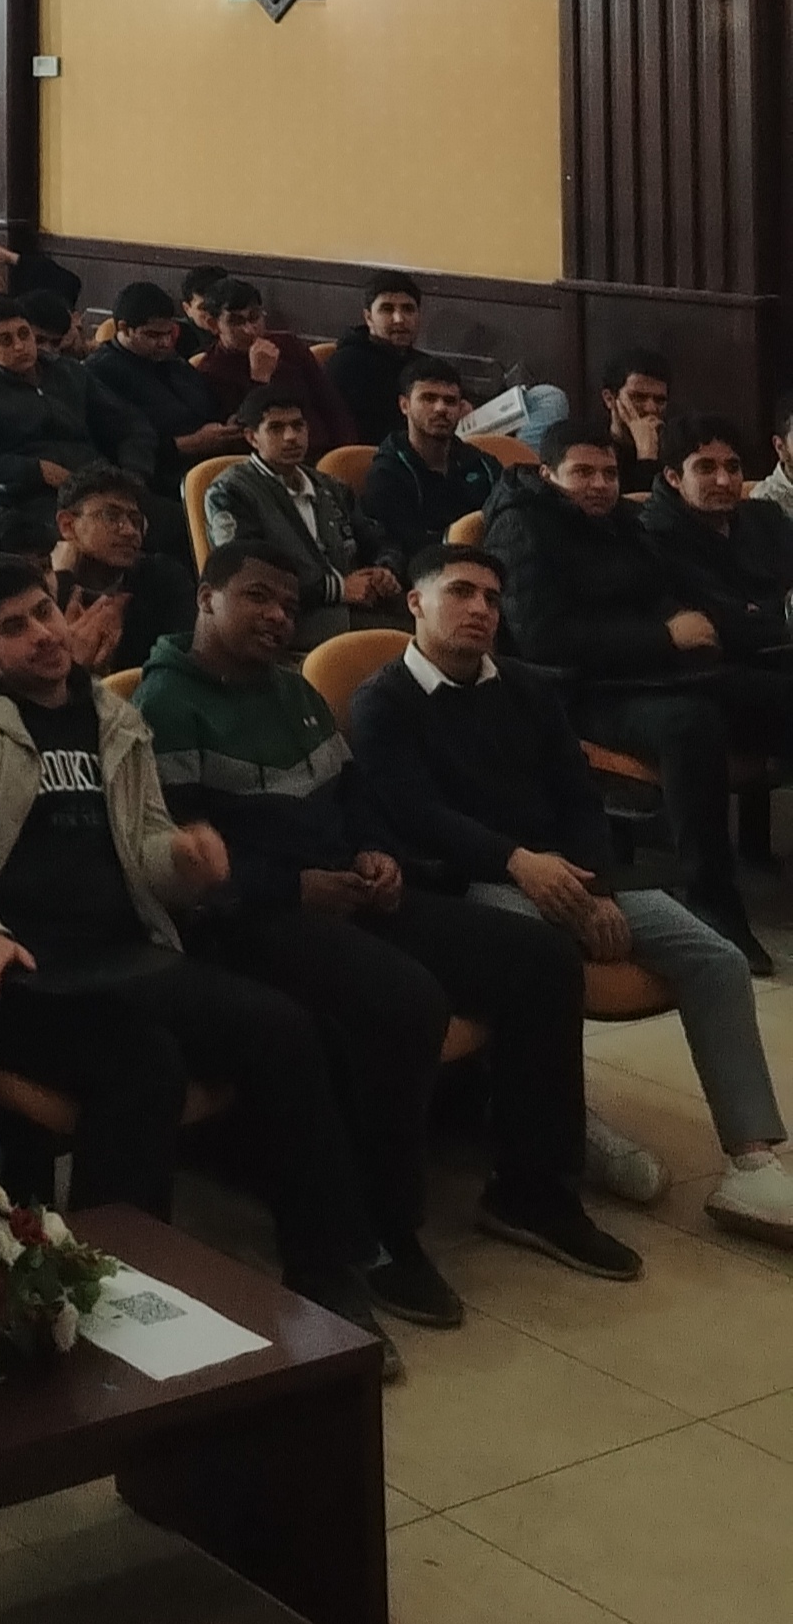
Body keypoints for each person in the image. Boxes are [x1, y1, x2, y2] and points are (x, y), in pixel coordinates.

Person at [0, 556, 397, 1344]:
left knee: (282, 1027)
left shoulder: (114, 720)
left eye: (44, 611)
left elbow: (145, 842)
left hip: (121, 952)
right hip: (12, 970)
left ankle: (325, 1267)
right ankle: (112, 1299)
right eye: (13, 626)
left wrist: (182, 861)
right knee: (143, 1064)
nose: (42, 633)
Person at [137, 541, 635, 1315]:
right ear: (207, 598)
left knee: (538, 957)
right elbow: (180, 861)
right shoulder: (163, 705)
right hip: (248, 919)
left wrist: (376, 850)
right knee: (403, 1000)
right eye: (258, 597)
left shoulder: (293, 690)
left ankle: (533, 1191)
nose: (278, 615)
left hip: (347, 887)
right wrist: (295, 886)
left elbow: (354, 791)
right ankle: (384, 1232)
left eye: (289, 603)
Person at [357, 542, 793, 1241]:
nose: (480, 609)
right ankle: (567, 1126)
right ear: (415, 601)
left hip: (572, 873)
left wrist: (598, 886)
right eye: (461, 592)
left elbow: (579, 797)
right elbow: (418, 815)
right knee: (543, 962)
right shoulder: (383, 702)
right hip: (468, 882)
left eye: (492, 598)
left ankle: (752, 1162)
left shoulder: (527, 687)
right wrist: (519, 862)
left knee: (717, 958)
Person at [483, 417, 789, 969]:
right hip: (578, 691)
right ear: (548, 474)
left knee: (777, 692)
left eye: (608, 473)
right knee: (690, 725)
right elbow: (543, 638)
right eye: (583, 473)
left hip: (650, 670)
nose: (600, 485)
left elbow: (657, 590)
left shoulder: (622, 520)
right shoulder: (522, 528)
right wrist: (664, 636)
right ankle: (712, 902)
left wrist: (682, 621)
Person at [0, 296, 155, 552]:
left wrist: (131, 476)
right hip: (31, 501)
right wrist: (37, 470)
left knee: (171, 524)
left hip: (96, 484)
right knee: (96, 536)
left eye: (24, 334)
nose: (20, 346)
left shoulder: (68, 372)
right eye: (5, 341)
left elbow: (129, 423)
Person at [200, 387, 406, 647]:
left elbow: (379, 540)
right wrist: (338, 589)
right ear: (252, 437)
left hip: (357, 607)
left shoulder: (331, 486)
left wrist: (384, 570)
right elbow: (248, 575)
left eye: (298, 426)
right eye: (276, 428)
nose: (291, 437)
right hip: (290, 619)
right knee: (411, 641)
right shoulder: (230, 491)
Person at [640, 411, 793, 661]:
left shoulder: (764, 516)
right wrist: (780, 606)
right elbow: (729, 627)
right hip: (723, 667)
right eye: (706, 468)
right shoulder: (654, 536)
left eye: (733, 467)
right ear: (674, 477)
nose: (724, 481)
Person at [83, 279, 243, 515]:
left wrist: (227, 424)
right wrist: (186, 444)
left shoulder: (169, 359)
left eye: (169, 333)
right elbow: (117, 443)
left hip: (213, 459)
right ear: (124, 328)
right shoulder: (99, 373)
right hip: (160, 479)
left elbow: (206, 401)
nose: (165, 342)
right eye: (154, 335)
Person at [50, 466, 193, 674]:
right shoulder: (38, 583)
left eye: (135, 521)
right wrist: (63, 581)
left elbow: (182, 661)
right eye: (111, 516)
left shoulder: (163, 576)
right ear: (67, 525)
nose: (129, 531)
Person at [362, 357, 502, 558]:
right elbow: (402, 551)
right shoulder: (386, 475)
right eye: (428, 398)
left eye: (450, 401)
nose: (441, 408)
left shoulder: (482, 463)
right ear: (404, 405)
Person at [192, 282, 351, 459]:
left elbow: (330, 402)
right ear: (213, 325)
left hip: (321, 447)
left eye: (254, 317)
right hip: (273, 458)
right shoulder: (211, 371)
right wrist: (260, 380)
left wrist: (343, 453)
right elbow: (242, 435)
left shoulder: (288, 344)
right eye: (235, 322)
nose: (249, 330)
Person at [327, 269, 429, 448]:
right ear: (368, 318)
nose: (399, 319)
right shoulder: (345, 365)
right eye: (387, 309)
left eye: (408, 309)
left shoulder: (425, 365)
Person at [602, 348, 674, 495]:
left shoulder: (675, 452)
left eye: (660, 400)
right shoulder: (594, 450)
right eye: (638, 397)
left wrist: (648, 454)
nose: (651, 409)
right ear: (609, 399)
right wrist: (647, 455)